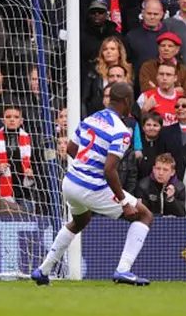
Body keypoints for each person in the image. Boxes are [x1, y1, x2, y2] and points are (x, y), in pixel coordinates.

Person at [31, 83, 153, 286]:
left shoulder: (91, 119)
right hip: (92, 187)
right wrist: (124, 202)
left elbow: (71, 149)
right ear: (126, 101)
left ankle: (43, 270)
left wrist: (85, 166)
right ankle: (123, 270)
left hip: (70, 183)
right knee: (144, 215)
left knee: (80, 221)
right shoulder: (121, 131)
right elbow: (109, 169)